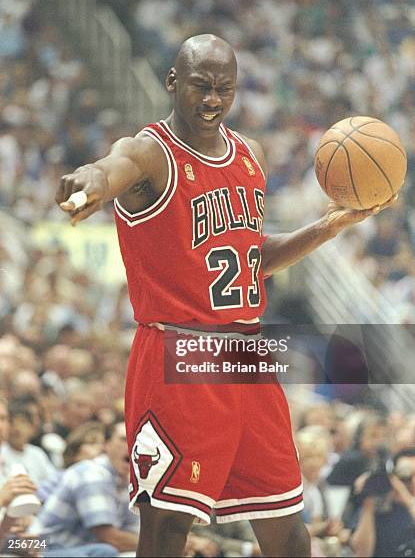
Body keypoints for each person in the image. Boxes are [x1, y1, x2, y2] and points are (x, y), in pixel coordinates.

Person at [56, 34, 396, 557]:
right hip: (178, 351)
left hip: (245, 355)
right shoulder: (150, 152)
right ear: (173, 82)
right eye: (200, 86)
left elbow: (251, 257)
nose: (212, 99)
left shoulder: (249, 156)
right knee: (169, 528)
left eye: (224, 88)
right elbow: (109, 168)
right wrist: (88, 183)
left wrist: (329, 226)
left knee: (286, 524)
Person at [30, 421, 138, 557]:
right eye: (123, 439)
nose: (131, 445)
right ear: (106, 444)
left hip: (81, 550)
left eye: (136, 440)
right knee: (106, 552)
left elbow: (133, 534)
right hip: (44, 548)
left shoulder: (128, 482)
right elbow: (110, 538)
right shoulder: (92, 473)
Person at [351, 448, 415, 557]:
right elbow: (362, 553)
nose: (413, 481)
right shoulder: (381, 507)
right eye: (405, 476)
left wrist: (407, 500)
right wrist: (368, 502)